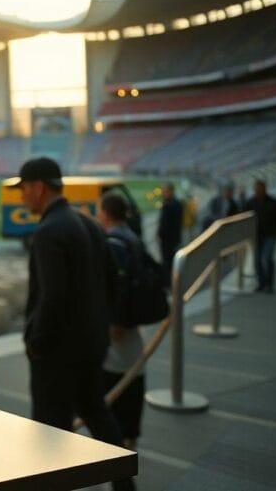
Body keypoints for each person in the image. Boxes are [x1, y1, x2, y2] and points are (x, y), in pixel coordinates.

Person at [13, 157, 134, 491]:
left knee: (51, 434)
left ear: (39, 187)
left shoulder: (49, 232)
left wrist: (36, 341)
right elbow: (112, 281)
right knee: (98, 414)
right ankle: (125, 485)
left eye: (24, 188)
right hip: (91, 344)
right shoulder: (90, 223)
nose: (22, 196)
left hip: (58, 353)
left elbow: (52, 296)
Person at [98, 193, 147, 451]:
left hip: (119, 328)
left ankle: (118, 443)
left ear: (106, 213)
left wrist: (114, 320)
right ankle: (129, 438)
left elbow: (116, 286)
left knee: (116, 382)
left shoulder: (114, 243)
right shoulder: (132, 237)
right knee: (132, 377)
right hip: (133, 325)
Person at [243, 179, 276, 293]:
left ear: (264, 189)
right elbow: (243, 217)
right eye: (256, 189)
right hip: (257, 235)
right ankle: (261, 283)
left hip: (270, 234)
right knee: (258, 259)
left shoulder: (274, 203)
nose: (258, 191)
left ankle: (269, 283)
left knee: (267, 257)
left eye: (260, 188)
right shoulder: (250, 203)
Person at [157, 182, 183, 286]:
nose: (163, 193)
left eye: (165, 191)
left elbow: (164, 224)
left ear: (170, 191)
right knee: (172, 261)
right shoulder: (177, 203)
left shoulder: (167, 205)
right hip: (175, 238)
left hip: (167, 240)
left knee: (167, 262)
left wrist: (160, 234)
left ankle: (169, 283)